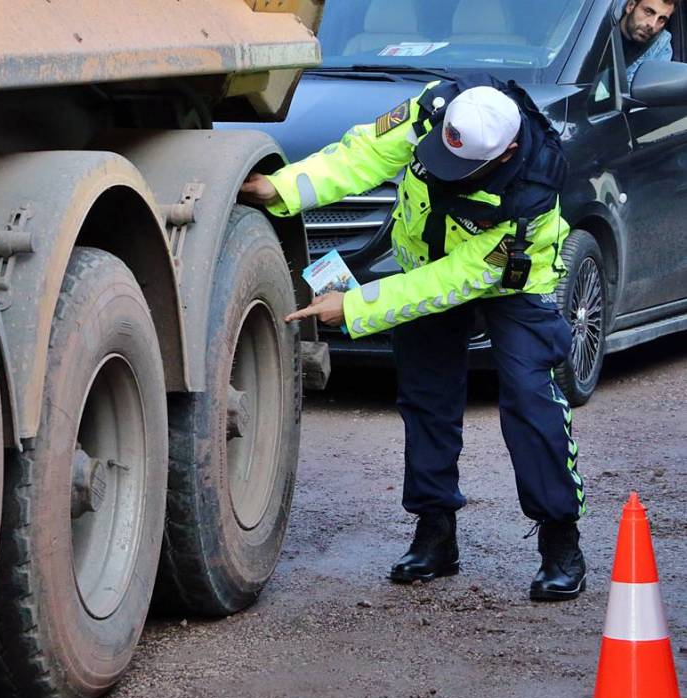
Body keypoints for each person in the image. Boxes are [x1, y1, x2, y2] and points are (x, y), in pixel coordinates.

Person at [240, 75, 587, 601]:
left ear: (507, 152)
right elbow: (364, 154)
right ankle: (435, 533)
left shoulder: (530, 197)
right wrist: (283, 188)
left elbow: (449, 285)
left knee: (528, 396)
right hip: (423, 259)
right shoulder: (438, 107)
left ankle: (561, 541)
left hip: (508, 281)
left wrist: (355, 307)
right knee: (426, 397)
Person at [620, 0, 677, 85]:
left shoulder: (661, 47)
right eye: (648, 12)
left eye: (661, 19)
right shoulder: (599, 24)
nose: (652, 25)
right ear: (630, 6)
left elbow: (651, 90)